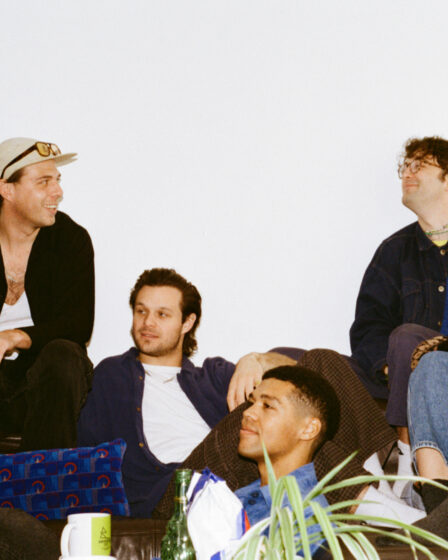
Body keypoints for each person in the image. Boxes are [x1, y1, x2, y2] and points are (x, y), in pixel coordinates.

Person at [77, 267, 295, 517]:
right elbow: (88, 450)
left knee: (320, 368)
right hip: (168, 494)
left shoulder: (213, 376)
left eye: (162, 314)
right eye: (141, 311)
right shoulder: (112, 375)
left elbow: (304, 375)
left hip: (227, 486)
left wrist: (254, 359)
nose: (148, 322)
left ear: (187, 322)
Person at [349, 136, 448, 494]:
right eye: (404, 166)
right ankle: (398, 464)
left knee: (409, 340)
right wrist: (390, 365)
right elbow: (367, 326)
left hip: (442, 368)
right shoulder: (394, 251)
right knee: (315, 362)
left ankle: (407, 461)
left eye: (419, 165)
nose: (407, 173)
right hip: (399, 371)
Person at [0, 137, 94, 451]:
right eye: (43, 182)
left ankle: (46, 477)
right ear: (7, 190)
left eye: (57, 180)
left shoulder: (70, 239)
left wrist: (13, 337)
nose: (57, 191)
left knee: (63, 355)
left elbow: (78, 327)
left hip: (43, 383)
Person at [235, 364, 340, 557]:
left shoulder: (308, 521)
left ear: (308, 429)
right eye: (252, 403)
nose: (248, 413)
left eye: (267, 406)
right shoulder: (237, 498)